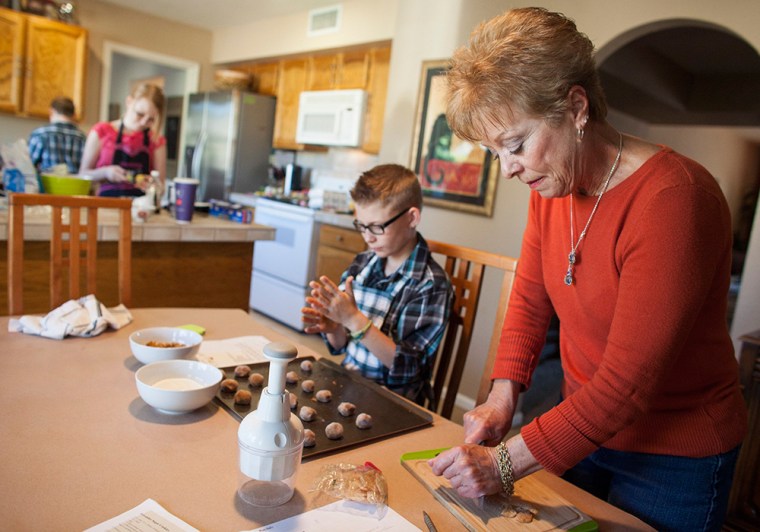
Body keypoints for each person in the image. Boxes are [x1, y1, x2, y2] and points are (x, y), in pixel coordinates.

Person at [427, 8, 747, 531]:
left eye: (514, 145)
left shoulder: (675, 200)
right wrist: (502, 395)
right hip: (582, 427)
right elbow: (530, 300)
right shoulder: (552, 186)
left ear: (576, 106)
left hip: (674, 455)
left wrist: (503, 463)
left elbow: (626, 386)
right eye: (493, 152)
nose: (506, 168)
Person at [301, 164, 453, 403]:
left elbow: (409, 368)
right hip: (352, 383)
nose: (368, 237)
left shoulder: (430, 284)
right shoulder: (363, 264)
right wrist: (334, 328)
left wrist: (353, 319)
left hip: (395, 402)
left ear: (412, 218)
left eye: (377, 227)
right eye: (361, 226)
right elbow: (341, 346)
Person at [79, 82, 166, 197]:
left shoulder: (156, 140)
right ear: (129, 102)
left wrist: (152, 185)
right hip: (104, 207)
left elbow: (161, 186)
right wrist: (105, 172)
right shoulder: (102, 131)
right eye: (140, 114)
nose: (144, 122)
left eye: (151, 119)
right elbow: (82, 175)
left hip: (140, 210)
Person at [27, 96, 87, 174]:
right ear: (73, 114)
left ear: (51, 111)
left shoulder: (40, 134)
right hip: (75, 185)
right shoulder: (82, 137)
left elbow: (28, 167)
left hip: (47, 185)